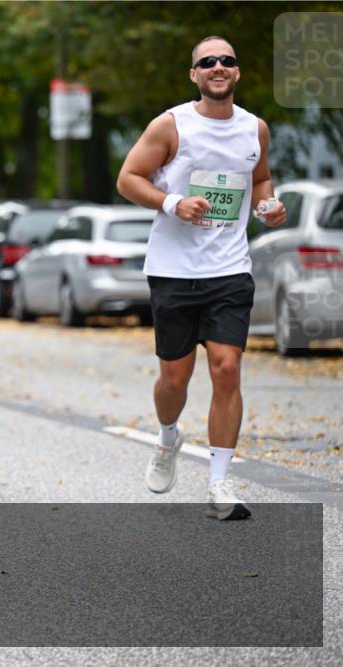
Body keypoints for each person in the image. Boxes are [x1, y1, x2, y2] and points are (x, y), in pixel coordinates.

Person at [117, 35, 286, 520]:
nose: (218, 66)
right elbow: (128, 178)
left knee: (227, 368)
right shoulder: (172, 125)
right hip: (172, 271)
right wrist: (173, 202)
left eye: (227, 61)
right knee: (175, 377)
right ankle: (169, 436)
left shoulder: (255, 129)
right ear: (194, 74)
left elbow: (259, 180)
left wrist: (268, 206)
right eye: (207, 61)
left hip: (230, 269)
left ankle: (219, 484)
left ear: (237, 73)